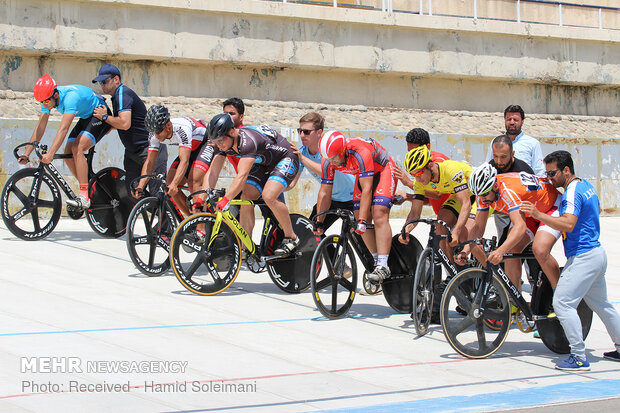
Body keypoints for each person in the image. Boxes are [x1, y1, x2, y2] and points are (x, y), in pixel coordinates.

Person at [521, 151, 620, 371]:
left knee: (563, 303)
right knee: (602, 305)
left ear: (566, 170)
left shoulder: (572, 191)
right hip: (596, 254)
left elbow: (568, 224)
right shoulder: (586, 186)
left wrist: (538, 215)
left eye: (552, 173)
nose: (549, 179)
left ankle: (578, 356)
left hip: (584, 257)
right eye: (546, 174)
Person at [207, 113, 301, 256]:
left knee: (269, 196)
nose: (219, 145)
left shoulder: (247, 142)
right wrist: (207, 192)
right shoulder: (224, 143)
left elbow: (242, 175)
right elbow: (213, 172)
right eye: (215, 141)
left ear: (232, 131)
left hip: (285, 157)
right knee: (246, 197)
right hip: (264, 162)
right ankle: (246, 247)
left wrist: (226, 200)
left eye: (220, 140)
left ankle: (291, 237)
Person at [314, 132, 397, 282]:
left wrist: (363, 221)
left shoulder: (360, 153)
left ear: (342, 151)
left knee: (378, 213)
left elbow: (367, 188)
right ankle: (376, 262)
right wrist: (320, 221)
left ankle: (383, 265)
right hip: (363, 173)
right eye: (328, 159)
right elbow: (325, 192)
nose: (331, 163)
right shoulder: (328, 160)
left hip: (383, 169)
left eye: (334, 159)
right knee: (357, 219)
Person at [20, 74, 112, 209]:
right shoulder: (48, 98)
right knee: (68, 154)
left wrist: (51, 154)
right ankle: (90, 188)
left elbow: (63, 130)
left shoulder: (70, 98)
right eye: (41, 102)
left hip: (99, 114)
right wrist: (27, 154)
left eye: (45, 102)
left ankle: (84, 196)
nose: (44, 105)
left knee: (77, 149)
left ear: (55, 95)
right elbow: (40, 127)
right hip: (86, 117)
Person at [467, 163, 562, 290]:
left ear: (495, 185)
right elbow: (478, 227)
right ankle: (514, 302)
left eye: (485, 194)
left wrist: (500, 251)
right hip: (529, 211)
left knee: (540, 250)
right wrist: (465, 251)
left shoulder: (508, 191)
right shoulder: (483, 193)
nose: (482, 199)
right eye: (479, 195)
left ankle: (560, 296)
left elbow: (520, 227)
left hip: (551, 207)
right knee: (511, 250)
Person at [91, 64, 167, 195]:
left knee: (157, 193)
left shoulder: (123, 94)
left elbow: (124, 123)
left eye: (105, 81)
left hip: (149, 149)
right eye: (100, 83)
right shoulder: (116, 96)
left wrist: (104, 116)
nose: (102, 85)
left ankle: (170, 215)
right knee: (133, 192)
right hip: (132, 152)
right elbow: (119, 123)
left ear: (116, 79)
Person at [135, 105, 211, 217]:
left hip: (205, 143)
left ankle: (201, 230)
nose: (156, 135)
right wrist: (141, 186)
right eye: (153, 131)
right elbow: (150, 162)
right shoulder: (154, 135)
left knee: (193, 181)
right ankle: (192, 222)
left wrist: (175, 184)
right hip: (191, 148)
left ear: (168, 126)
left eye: (158, 131)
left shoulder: (182, 129)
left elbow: (184, 161)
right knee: (169, 185)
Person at [401, 146, 474, 256]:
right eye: (412, 175)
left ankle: (487, 267)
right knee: (440, 226)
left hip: (479, 194)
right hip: (462, 194)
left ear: (430, 165)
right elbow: (415, 212)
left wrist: (457, 231)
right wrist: (406, 230)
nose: (417, 179)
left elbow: (466, 203)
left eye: (418, 173)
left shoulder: (450, 170)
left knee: (467, 236)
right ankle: (453, 270)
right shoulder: (420, 183)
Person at [290, 112, 355, 229]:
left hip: (352, 198)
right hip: (331, 198)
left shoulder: (328, 148)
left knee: (358, 240)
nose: (302, 135)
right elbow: (292, 183)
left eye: (306, 132)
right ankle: (327, 248)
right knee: (311, 233)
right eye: (300, 131)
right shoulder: (302, 153)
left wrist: (302, 158)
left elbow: (327, 172)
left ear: (319, 132)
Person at [488, 134, 535, 243]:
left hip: (525, 213)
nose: (499, 162)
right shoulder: (490, 169)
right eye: (495, 156)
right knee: (505, 246)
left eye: (503, 157)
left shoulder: (524, 171)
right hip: (502, 211)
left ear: (512, 154)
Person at [394, 127, 450, 214]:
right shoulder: (418, 165)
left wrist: (408, 183)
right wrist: (407, 197)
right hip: (443, 216)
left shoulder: (438, 161)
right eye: (409, 151)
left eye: (415, 151)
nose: (412, 155)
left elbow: (437, 194)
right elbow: (429, 199)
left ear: (428, 147)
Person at [485, 105, 545, 176]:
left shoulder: (533, 144)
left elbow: (539, 172)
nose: (512, 122)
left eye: (515, 120)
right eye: (509, 119)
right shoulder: (495, 142)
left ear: (522, 122)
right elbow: (488, 168)